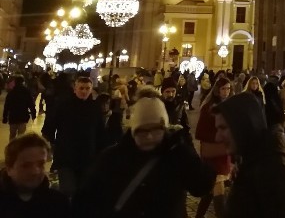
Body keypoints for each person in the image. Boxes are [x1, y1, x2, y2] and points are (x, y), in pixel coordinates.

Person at [74, 96, 214, 217]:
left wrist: (183, 151)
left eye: (155, 129)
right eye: (142, 131)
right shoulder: (112, 157)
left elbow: (201, 186)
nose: (149, 136)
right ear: (133, 130)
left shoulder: (176, 156)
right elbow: (86, 199)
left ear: (164, 129)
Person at [213, 92, 285, 217]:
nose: (217, 138)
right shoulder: (253, 159)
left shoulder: (273, 169)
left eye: (223, 128)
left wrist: (219, 198)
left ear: (242, 126)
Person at [48, 76, 102, 197]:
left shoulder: (95, 107)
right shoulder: (63, 105)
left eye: (87, 88)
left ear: (91, 89)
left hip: (87, 156)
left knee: (84, 192)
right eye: (81, 88)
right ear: (75, 89)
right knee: (68, 190)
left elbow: (100, 131)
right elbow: (51, 125)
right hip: (66, 156)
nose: (84, 91)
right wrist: (53, 145)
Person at [0, 133, 70, 217]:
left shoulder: (59, 202)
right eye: (26, 165)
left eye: (41, 164)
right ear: (9, 169)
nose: (35, 171)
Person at [194, 77, 232, 218]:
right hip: (213, 154)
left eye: (228, 88)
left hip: (224, 153)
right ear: (217, 90)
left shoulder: (228, 105)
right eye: (223, 89)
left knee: (210, 190)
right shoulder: (208, 107)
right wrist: (217, 136)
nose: (226, 92)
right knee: (218, 187)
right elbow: (199, 132)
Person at [2, 75, 36, 140]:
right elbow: (31, 104)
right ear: (23, 82)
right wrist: (33, 113)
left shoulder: (11, 92)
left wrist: (5, 117)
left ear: (15, 82)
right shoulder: (26, 92)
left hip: (13, 116)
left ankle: (11, 148)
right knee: (21, 136)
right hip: (23, 116)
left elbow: (7, 106)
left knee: (12, 135)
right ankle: (19, 148)